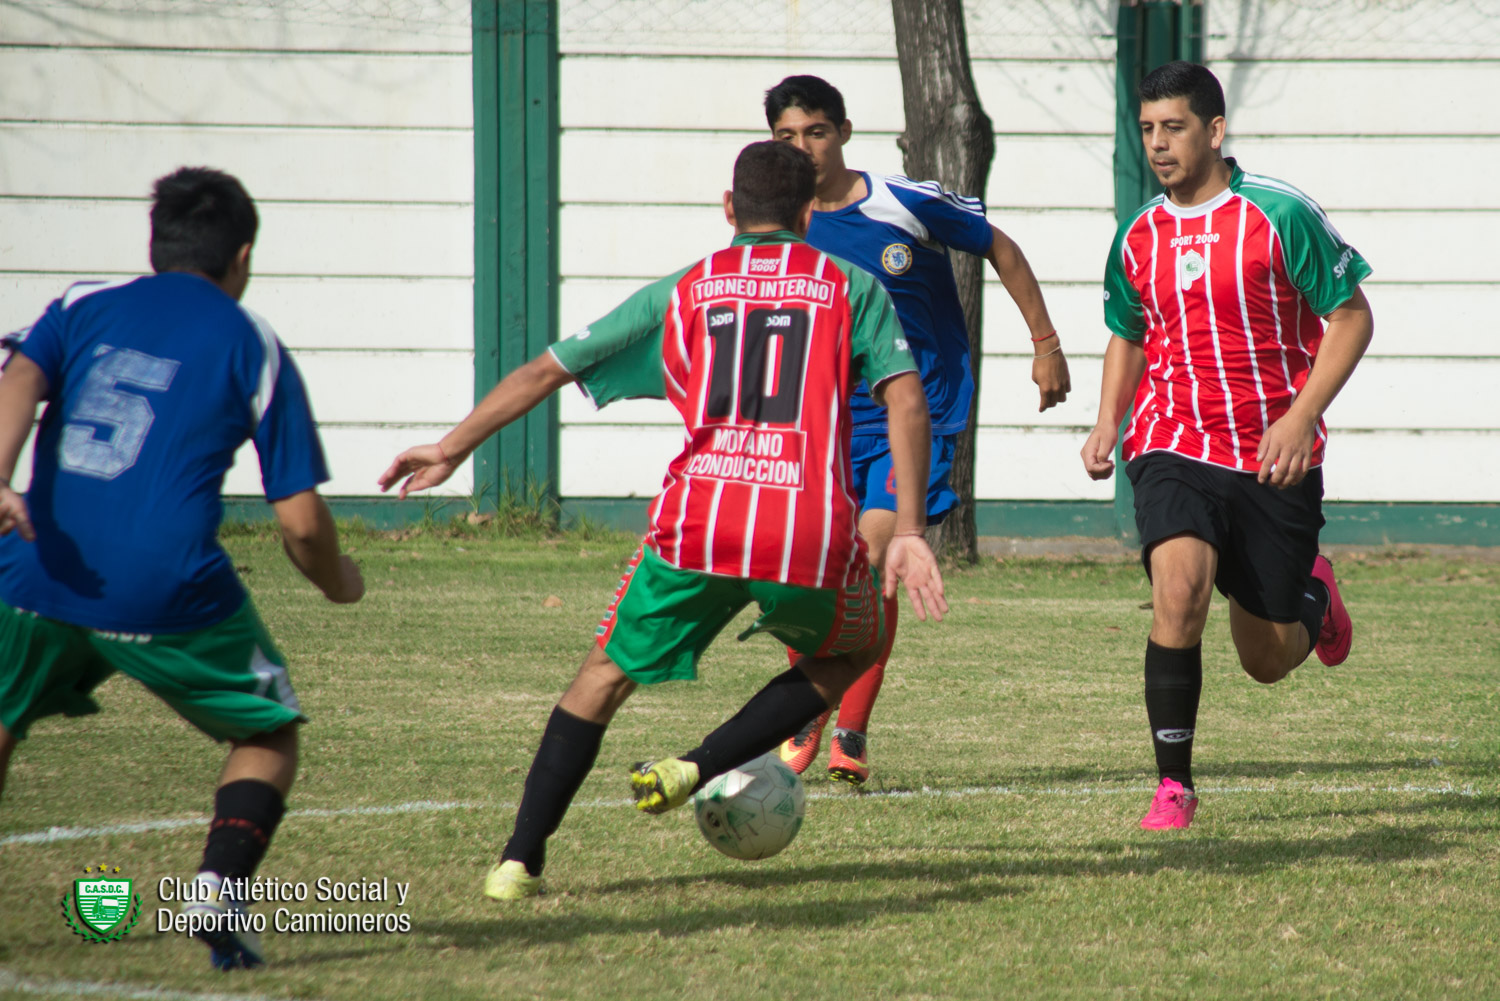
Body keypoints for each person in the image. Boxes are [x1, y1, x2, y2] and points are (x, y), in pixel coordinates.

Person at [378, 141, 947, 899]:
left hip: (699, 518)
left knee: (602, 678)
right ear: (811, 213)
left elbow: (548, 368)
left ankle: (517, 861)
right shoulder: (851, 286)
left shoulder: (685, 288)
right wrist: (908, 530)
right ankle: (696, 765)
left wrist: (451, 448)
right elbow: (907, 400)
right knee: (855, 648)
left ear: (729, 208)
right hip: (802, 522)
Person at [0, 167, 364, 968]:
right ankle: (217, 890)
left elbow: (19, 375)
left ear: (155, 246)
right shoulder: (251, 342)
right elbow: (300, 522)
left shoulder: (83, 302)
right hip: (165, 581)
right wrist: (340, 580)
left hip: (35, 561)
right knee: (266, 729)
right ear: (242, 256)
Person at [1080, 62, 1370, 830]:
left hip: (1272, 454)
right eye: (1148, 128)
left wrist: (1302, 416)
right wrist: (1109, 419)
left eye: (1173, 127)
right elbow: (1128, 332)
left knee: (1265, 658)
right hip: (1172, 439)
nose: (1157, 143)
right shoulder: (1138, 233)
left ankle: (1313, 593)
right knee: (1178, 592)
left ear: (1214, 131)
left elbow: (1351, 317)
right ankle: (1173, 784)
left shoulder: (1279, 213)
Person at [763, 75, 1071, 785]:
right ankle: (814, 704)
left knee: (873, 562)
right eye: (787, 136)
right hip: (824, 422)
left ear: (843, 131)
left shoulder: (902, 202)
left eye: (815, 131)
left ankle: (845, 727)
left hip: (914, 414)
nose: (804, 148)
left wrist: (1046, 344)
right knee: (805, 572)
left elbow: (1001, 247)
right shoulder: (778, 222)